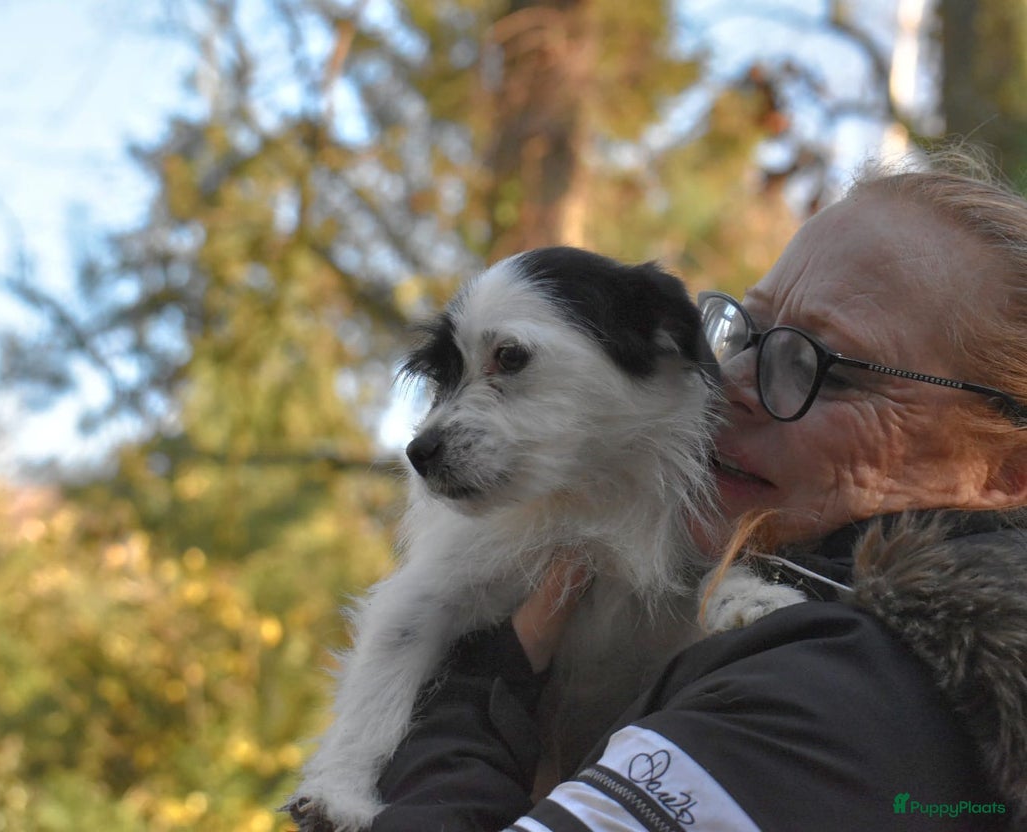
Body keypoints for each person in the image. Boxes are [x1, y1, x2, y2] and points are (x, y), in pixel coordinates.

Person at [361, 151, 1027, 831]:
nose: (730, 386)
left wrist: (462, 714)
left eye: (825, 370)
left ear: (1007, 471)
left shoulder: (831, 698)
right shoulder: (751, 609)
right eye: (744, 333)